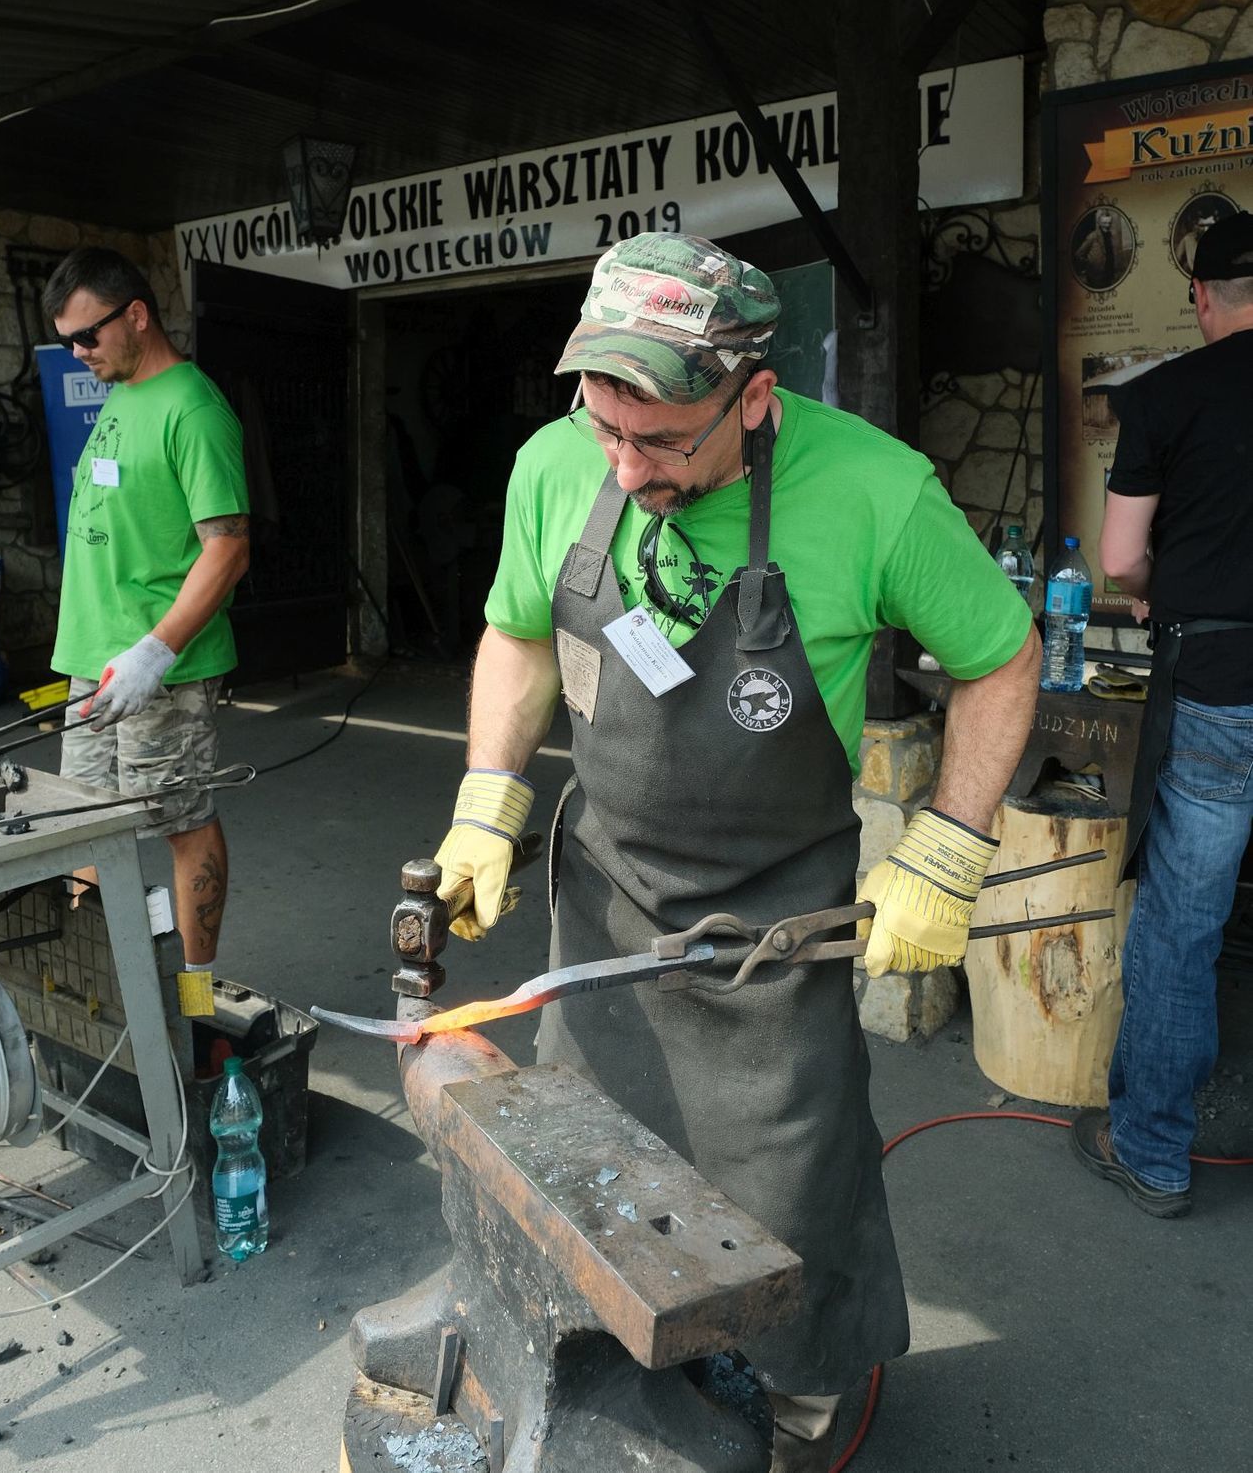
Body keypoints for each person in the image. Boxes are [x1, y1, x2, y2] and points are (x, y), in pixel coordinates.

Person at [431, 234, 1040, 1470]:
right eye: (609, 429)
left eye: (665, 440)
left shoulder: (878, 489)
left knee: (787, 1196)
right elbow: (518, 637)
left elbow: (1001, 657)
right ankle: (605, 1368)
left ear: (754, 398)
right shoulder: (555, 468)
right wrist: (487, 797)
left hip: (776, 929)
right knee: (589, 1164)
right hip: (604, 902)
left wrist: (949, 846)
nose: (630, 464)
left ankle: (801, 1396)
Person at [1073, 211, 1253, 1217]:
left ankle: (1151, 1149)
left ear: (1200, 297)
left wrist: (1156, 585)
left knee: (1183, 922)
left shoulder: (1169, 397)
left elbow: (1119, 559)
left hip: (1222, 681)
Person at [42, 248, 249, 1016]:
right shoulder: (123, 393)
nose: (77, 354)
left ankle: (195, 997)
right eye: (66, 341)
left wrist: (155, 652)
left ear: (136, 316)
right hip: (91, 663)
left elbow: (227, 547)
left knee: (179, 824)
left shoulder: (193, 407)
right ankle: (89, 989)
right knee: (77, 831)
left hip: (159, 669)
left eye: (87, 336)